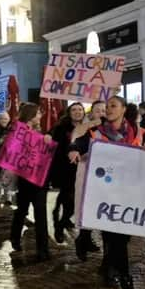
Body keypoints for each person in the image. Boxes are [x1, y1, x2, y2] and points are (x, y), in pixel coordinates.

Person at [69, 96, 142, 289]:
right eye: (107, 106)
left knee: (120, 239)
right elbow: (79, 142)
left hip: (128, 193)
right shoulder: (96, 132)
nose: (108, 110)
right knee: (116, 239)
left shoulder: (136, 132)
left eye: (113, 106)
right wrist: (73, 149)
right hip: (106, 196)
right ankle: (127, 285)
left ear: (123, 109)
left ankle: (109, 267)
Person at [10, 103, 54, 262]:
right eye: (37, 114)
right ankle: (14, 237)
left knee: (40, 213)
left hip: (39, 179)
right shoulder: (18, 131)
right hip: (24, 179)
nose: (40, 117)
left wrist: (46, 142)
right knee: (22, 210)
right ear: (30, 115)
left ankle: (43, 250)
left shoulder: (40, 132)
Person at [51, 102, 86, 244]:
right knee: (69, 199)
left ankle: (63, 219)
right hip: (66, 169)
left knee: (73, 200)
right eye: (74, 109)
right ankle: (59, 226)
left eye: (80, 109)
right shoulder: (61, 128)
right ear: (69, 112)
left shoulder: (88, 127)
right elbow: (56, 146)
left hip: (82, 168)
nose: (77, 112)